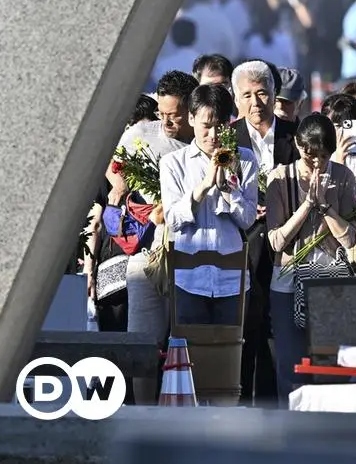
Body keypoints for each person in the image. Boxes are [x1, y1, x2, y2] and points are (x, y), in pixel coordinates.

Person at [110, 73, 198, 405]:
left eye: (173, 115)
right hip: (146, 253)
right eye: (161, 113)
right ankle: (143, 412)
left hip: (190, 252)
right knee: (141, 342)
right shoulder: (140, 133)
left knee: (188, 340)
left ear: (191, 108)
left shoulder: (203, 140)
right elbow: (113, 162)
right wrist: (121, 186)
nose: (166, 122)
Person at [265, 113, 356, 409]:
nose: (316, 162)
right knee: (290, 364)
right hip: (289, 278)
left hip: (330, 279)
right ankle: (290, 425)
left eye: (323, 155)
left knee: (330, 363)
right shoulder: (280, 179)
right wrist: (307, 205)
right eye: (309, 154)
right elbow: (277, 241)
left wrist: (327, 207)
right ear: (297, 145)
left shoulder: (343, 177)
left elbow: (350, 239)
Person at [159, 84, 258, 326]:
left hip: (231, 280)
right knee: (190, 354)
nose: (213, 135)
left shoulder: (244, 159)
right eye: (206, 126)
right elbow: (172, 220)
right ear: (191, 119)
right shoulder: (173, 163)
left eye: (220, 126)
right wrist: (202, 187)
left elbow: (247, 220)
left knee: (230, 353)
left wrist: (229, 192)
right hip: (189, 278)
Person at [231, 60, 298, 405]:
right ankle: (241, 400)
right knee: (248, 325)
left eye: (262, 93)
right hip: (246, 242)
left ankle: (278, 402)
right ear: (236, 99)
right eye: (247, 95)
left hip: (289, 240)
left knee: (280, 327)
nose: (256, 102)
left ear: (274, 95)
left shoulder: (294, 134)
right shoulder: (228, 138)